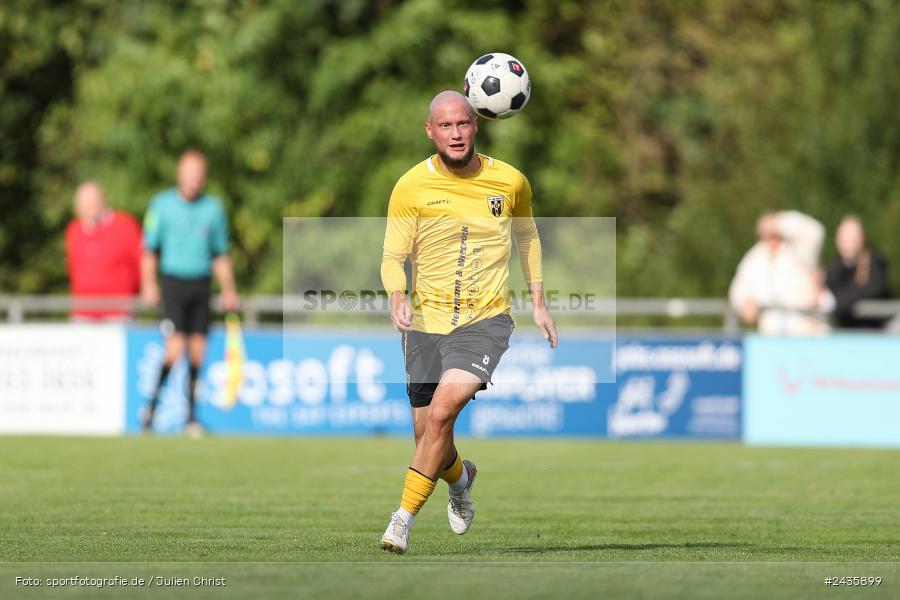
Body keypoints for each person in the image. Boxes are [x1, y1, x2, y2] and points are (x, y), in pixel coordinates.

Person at [378, 90, 558, 554]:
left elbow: (529, 238)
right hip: (424, 322)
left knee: (441, 414)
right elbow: (392, 255)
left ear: (476, 124)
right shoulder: (410, 186)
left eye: (462, 124)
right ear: (430, 131)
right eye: (445, 126)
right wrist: (397, 294)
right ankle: (461, 479)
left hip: (485, 321)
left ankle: (401, 521)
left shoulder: (511, 182)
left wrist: (539, 301)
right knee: (427, 435)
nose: (455, 134)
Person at [140, 149, 239, 435]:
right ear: (179, 174)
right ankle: (151, 409)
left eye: (199, 173)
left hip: (201, 283)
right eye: (189, 172)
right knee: (175, 349)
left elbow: (220, 253)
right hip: (173, 282)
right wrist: (149, 283)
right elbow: (149, 249)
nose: (194, 179)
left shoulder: (213, 209)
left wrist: (229, 289)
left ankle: (191, 418)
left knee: (198, 352)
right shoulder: (162, 205)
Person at [728, 210, 833, 336]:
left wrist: (780, 221)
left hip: (805, 328)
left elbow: (815, 231)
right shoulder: (754, 258)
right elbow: (739, 288)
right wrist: (743, 303)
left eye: (772, 232)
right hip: (772, 333)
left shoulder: (799, 248)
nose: (769, 236)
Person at [64, 181, 142, 321]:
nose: (90, 205)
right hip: (83, 313)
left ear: (103, 200)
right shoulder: (73, 230)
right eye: (85, 202)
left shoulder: (125, 225)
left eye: (93, 200)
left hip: (118, 312)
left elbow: (141, 263)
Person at [825, 215, 891, 329]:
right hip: (847, 334)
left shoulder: (875, 264)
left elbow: (869, 290)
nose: (849, 241)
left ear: (863, 238)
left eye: (853, 236)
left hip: (878, 331)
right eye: (846, 236)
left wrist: (834, 301)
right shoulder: (834, 268)